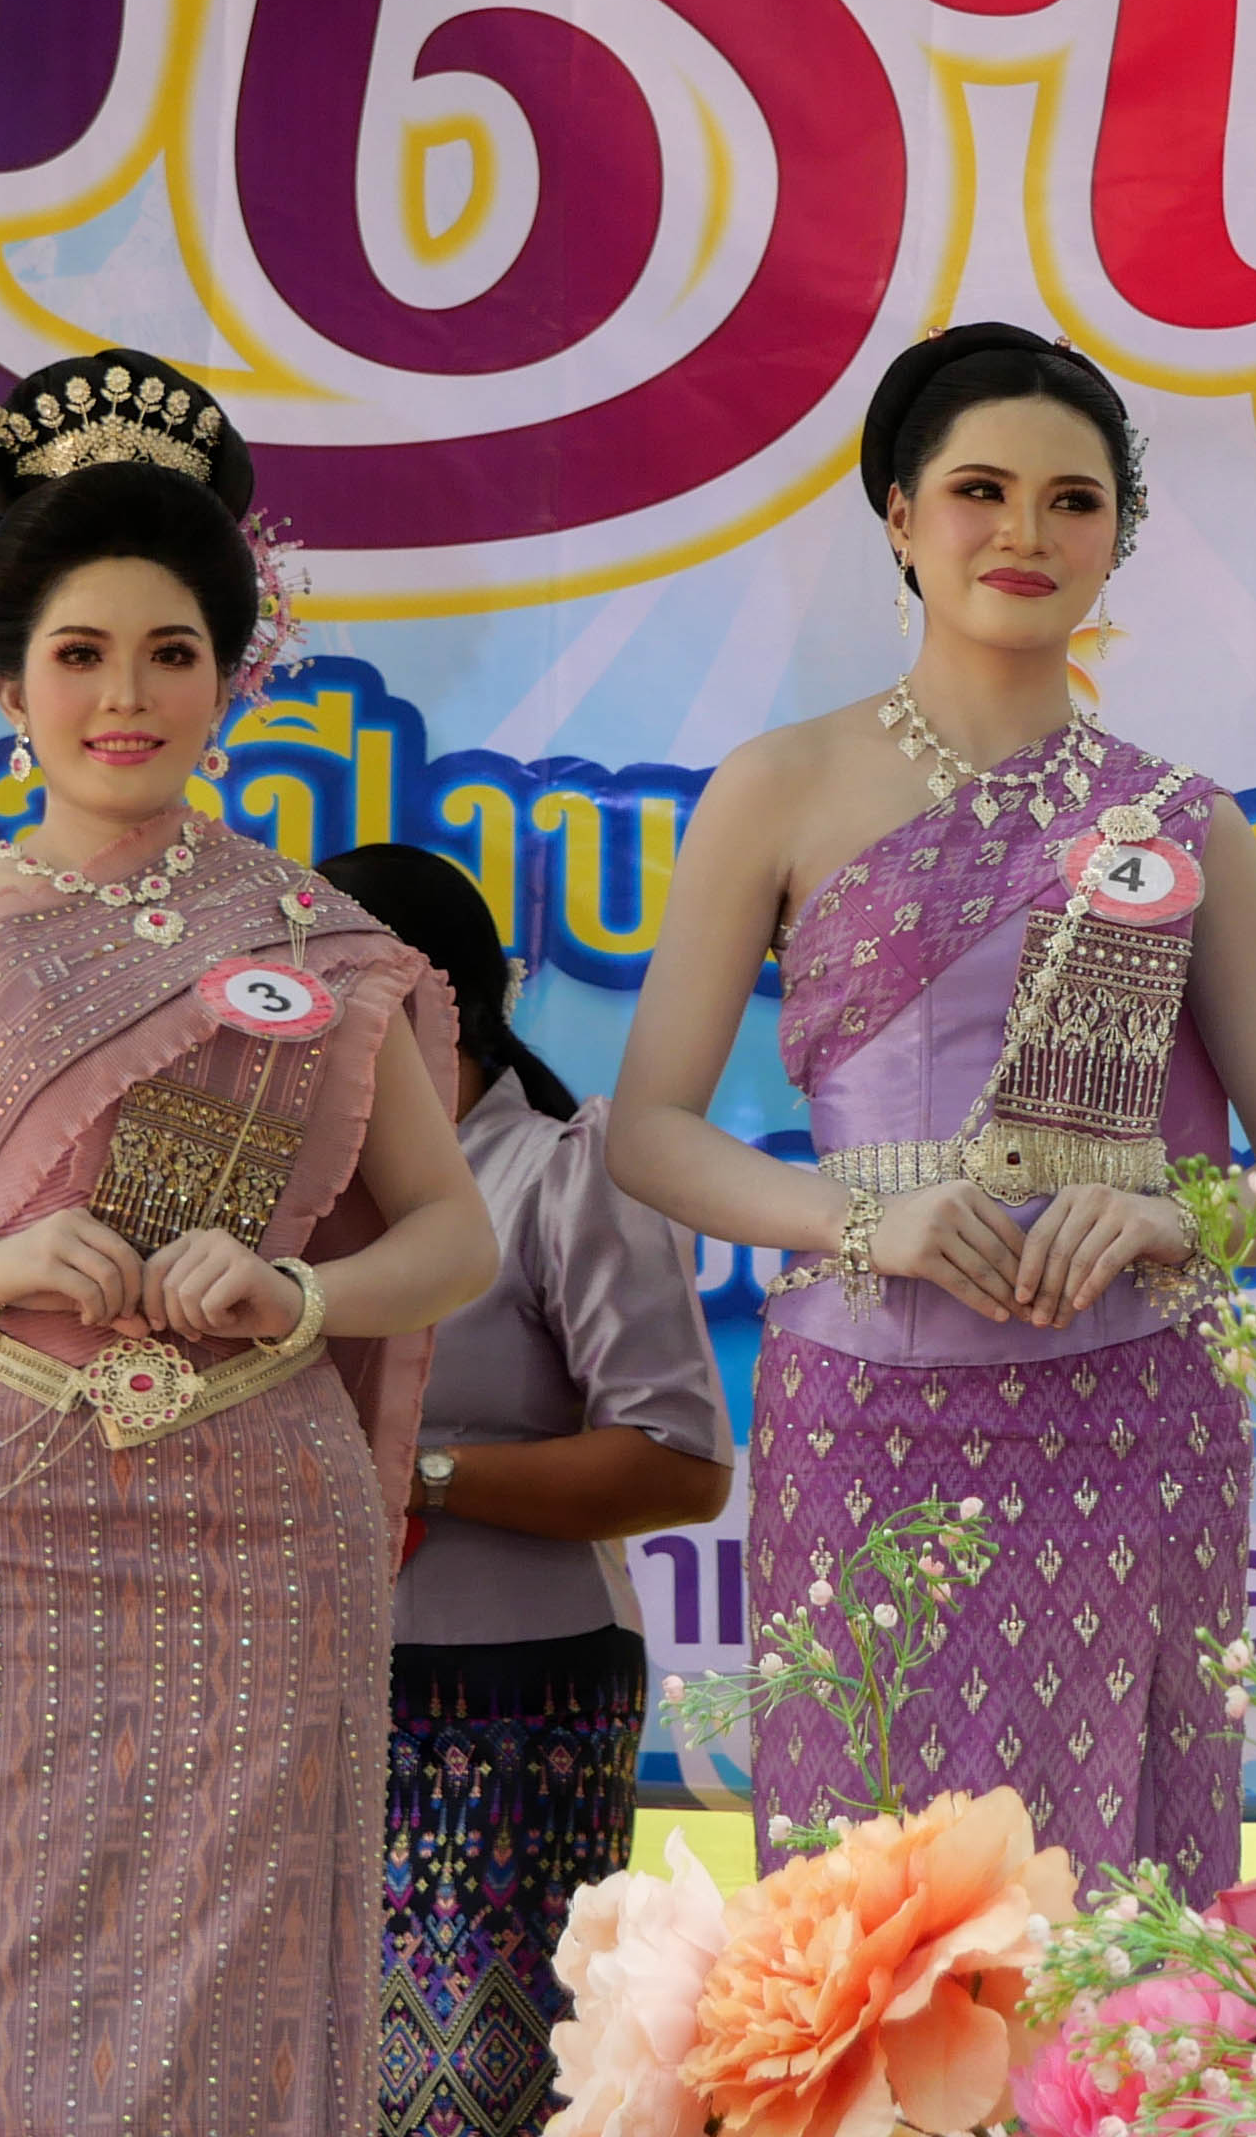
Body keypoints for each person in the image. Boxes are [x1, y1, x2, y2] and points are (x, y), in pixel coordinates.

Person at [0, 346, 494, 2137]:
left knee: (248, 1966)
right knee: (0, 1970)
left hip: (257, 1502)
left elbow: (452, 1239)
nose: (123, 697)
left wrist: (301, 1293)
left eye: (169, 654)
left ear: (232, 675)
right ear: (10, 682)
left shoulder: (319, 935)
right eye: (79, 655)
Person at [608, 321, 1256, 1889]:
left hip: (1133, 1411)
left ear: (1116, 539)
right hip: (868, 1412)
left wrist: (1168, 1216)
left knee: (1116, 1903)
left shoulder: (1183, 821)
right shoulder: (782, 786)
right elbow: (651, 1132)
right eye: (981, 491)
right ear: (900, 515)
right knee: (874, 1905)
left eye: (1074, 501)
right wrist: (865, 1223)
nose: (1026, 532)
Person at [314, 842, 732, 2137]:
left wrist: (423, 1477)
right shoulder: (291, 1196)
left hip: (509, 1704)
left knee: (484, 2089)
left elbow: (678, 1458)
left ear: (434, 1005)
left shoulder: (562, 1171)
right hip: (307, 1695)